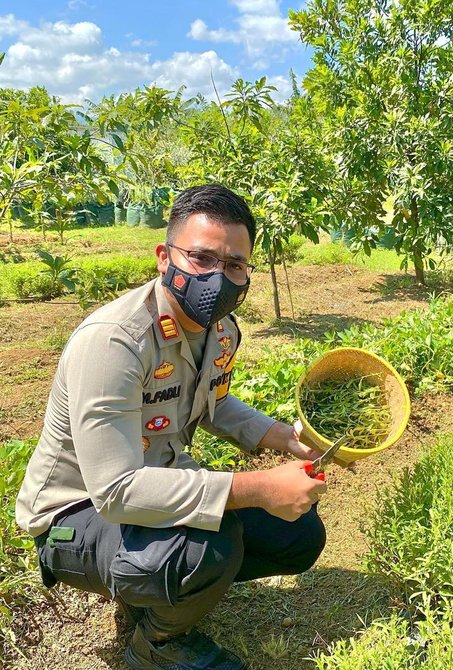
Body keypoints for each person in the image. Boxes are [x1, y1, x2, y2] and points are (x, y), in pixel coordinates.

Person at [15, 184, 328, 670]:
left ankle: (155, 586)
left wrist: (283, 437)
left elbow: (216, 405)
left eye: (234, 265)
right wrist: (258, 486)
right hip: (74, 516)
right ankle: (159, 644)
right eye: (202, 257)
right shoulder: (115, 341)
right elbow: (116, 491)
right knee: (211, 542)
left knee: (297, 533)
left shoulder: (220, 330)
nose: (218, 277)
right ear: (165, 257)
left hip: (153, 488)